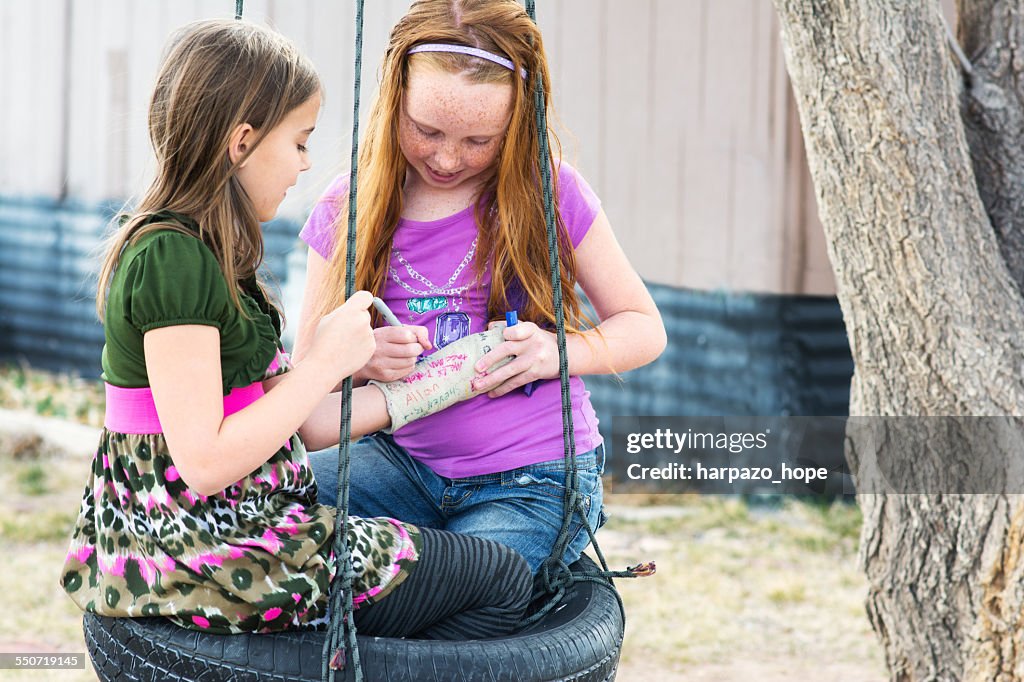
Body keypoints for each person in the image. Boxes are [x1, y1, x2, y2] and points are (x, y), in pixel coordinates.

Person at [60, 18, 533, 640]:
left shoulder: (213, 254)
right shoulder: (173, 258)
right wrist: (321, 364)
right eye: (300, 142)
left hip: (240, 527)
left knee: (478, 573)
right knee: (502, 578)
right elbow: (203, 462)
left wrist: (429, 380)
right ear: (242, 141)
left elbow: (300, 423)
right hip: (206, 551)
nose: (306, 165)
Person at [296, 0, 667, 573]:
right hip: (399, 465)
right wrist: (363, 360)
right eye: (427, 130)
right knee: (274, 512)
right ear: (394, 97)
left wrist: (556, 350)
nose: (446, 158)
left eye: (479, 140)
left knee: (463, 584)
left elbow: (644, 329)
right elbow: (308, 381)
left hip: (533, 478)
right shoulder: (348, 205)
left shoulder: (550, 192)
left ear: (516, 123)